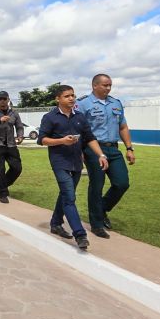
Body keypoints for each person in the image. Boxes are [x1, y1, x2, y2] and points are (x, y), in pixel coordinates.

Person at [37, 85, 109, 250]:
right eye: (67, 96)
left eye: (73, 96)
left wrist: (101, 155)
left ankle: (56, 223)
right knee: (70, 197)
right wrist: (62, 141)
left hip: (76, 162)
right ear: (58, 99)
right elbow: (41, 140)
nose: (71, 99)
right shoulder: (50, 117)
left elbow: (90, 138)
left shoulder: (80, 117)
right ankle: (80, 234)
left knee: (65, 194)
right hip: (60, 162)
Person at [76, 73, 135, 238]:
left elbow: (122, 127)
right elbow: (78, 129)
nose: (108, 88)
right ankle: (96, 224)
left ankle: (101, 209)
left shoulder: (116, 103)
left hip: (113, 149)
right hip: (93, 149)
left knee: (122, 183)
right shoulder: (83, 104)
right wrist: (79, 151)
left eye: (110, 85)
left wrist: (129, 148)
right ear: (95, 85)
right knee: (97, 185)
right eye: (105, 85)